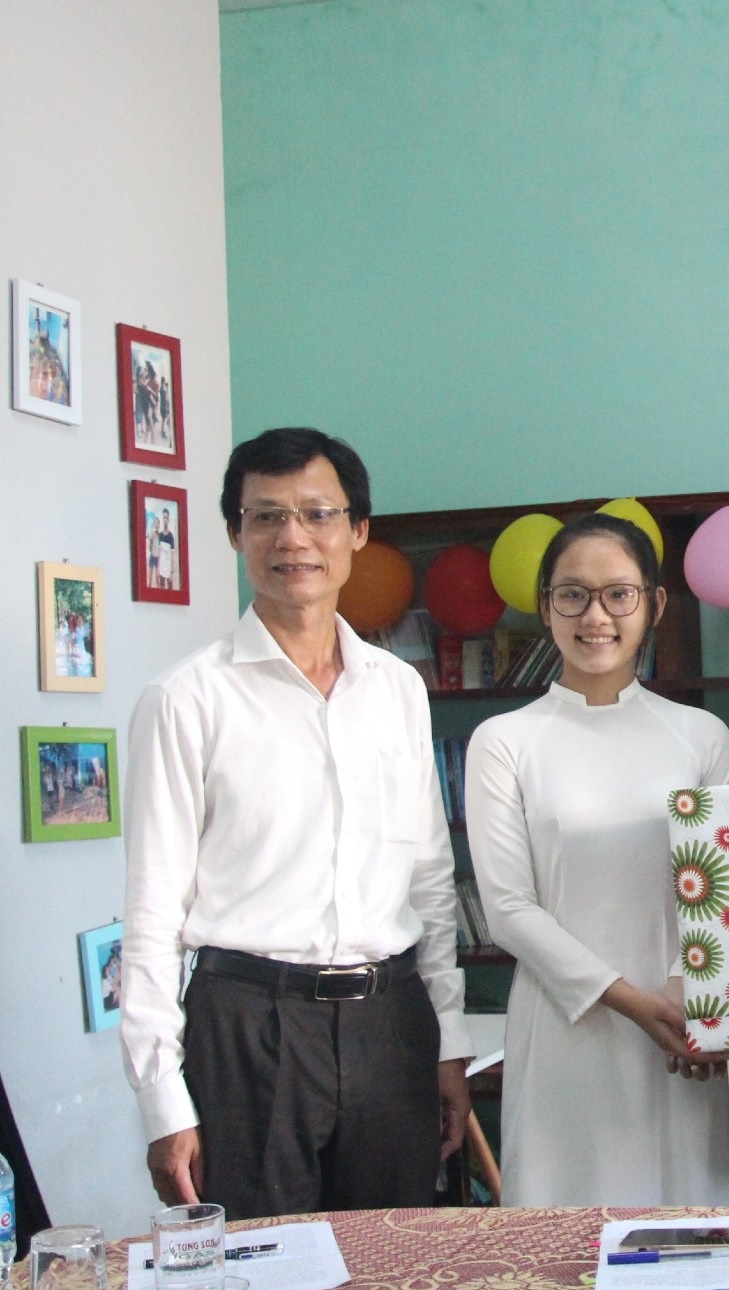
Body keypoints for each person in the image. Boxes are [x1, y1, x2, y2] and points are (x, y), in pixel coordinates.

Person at [123, 427, 471, 1218]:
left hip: (390, 1022)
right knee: (257, 1280)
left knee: (393, 1274)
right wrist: (161, 1100)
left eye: (317, 513)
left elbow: (429, 879)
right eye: (266, 516)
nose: (293, 538)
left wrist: (447, 1040)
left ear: (357, 532)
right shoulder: (186, 698)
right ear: (235, 534)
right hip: (247, 1026)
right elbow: (149, 910)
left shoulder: (397, 690)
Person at [464, 513, 729, 1207]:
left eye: (618, 593)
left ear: (654, 603)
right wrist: (628, 998)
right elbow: (508, 909)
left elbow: (722, 890)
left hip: (682, 1027)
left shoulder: (700, 734)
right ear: (545, 605)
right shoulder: (505, 741)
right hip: (565, 1028)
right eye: (572, 594)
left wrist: (680, 991)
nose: (596, 616)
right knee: (562, 1243)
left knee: (688, 1235)